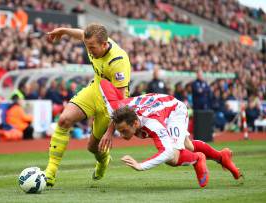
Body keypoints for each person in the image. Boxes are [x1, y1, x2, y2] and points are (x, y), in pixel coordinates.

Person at [99, 79, 242, 183]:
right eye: (120, 131)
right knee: (188, 146)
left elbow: (166, 152)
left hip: (174, 111)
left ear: (136, 123)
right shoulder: (117, 108)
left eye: (124, 131)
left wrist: (140, 166)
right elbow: (102, 82)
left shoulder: (152, 124)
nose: (122, 135)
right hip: (159, 106)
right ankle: (222, 157)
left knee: (172, 157)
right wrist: (109, 131)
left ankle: (198, 158)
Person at [45, 23, 131, 186]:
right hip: (94, 90)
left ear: (104, 44)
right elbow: (80, 34)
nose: (89, 51)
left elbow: (120, 101)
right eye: (87, 46)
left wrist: (110, 131)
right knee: (64, 120)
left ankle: (103, 160)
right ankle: (50, 172)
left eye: (92, 47)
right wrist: (63, 31)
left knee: (93, 147)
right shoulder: (92, 41)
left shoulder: (118, 60)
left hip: (112, 102)